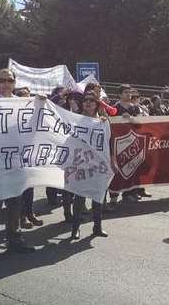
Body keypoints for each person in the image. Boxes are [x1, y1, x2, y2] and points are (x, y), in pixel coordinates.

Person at [0, 69, 36, 261]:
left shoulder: (21, 103)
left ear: (14, 83)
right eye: (2, 80)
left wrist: (41, 104)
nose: (6, 84)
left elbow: (33, 123)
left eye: (10, 80)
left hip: (15, 161)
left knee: (15, 204)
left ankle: (14, 239)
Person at [67, 91, 108, 239]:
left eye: (92, 100)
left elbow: (107, 144)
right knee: (79, 197)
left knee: (97, 198)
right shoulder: (75, 120)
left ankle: (97, 227)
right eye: (85, 100)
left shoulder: (103, 122)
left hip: (97, 165)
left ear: (97, 104)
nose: (88, 102)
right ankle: (75, 228)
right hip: (80, 164)